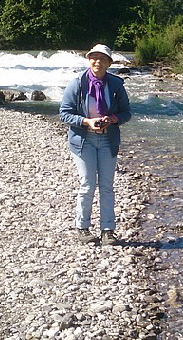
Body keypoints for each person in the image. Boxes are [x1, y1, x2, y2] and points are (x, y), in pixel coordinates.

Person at [59, 44, 131, 245]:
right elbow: (64, 113)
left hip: (108, 139)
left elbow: (127, 112)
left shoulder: (116, 85)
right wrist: (87, 121)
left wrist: (113, 119)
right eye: (94, 57)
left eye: (102, 58)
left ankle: (108, 230)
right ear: (89, 60)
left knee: (107, 186)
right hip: (83, 140)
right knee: (88, 184)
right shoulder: (77, 84)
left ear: (109, 63)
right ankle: (83, 227)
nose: (97, 61)